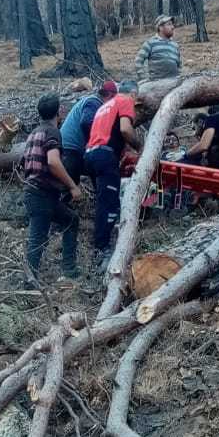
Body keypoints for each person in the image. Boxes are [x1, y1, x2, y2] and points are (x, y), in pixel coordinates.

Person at [22, 93, 83, 283]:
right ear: (59, 113)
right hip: (42, 194)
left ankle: (69, 270)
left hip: (35, 192)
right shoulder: (52, 132)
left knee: (71, 220)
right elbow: (54, 162)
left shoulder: (34, 133)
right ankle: (29, 285)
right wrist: (72, 186)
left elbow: (23, 162)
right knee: (37, 240)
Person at [85, 79, 140, 265]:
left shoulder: (105, 106)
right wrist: (140, 145)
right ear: (133, 94)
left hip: (92, 154)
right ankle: (102, 249)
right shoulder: (125, 101)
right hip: (105, 155)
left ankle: (102, 240)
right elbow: (125, 129)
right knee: (109, 202)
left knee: (103, 201)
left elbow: (111, 131)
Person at [60, 78, 117, 181]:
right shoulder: (94, 102)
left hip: (73, 147)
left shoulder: (96, 103)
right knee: (69, 187)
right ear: (110, 95)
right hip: (70, 148)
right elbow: (86, 122)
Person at [135, 16, 181, 82]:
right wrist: (144, 79)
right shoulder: (150, 43)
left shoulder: (175, 45)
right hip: (156, 84)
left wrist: (179, 79)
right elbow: (138, 61)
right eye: (169, 24)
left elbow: (179, 66)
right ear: (160, 27)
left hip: (174, 83)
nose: (173, 27)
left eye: (172, 24)